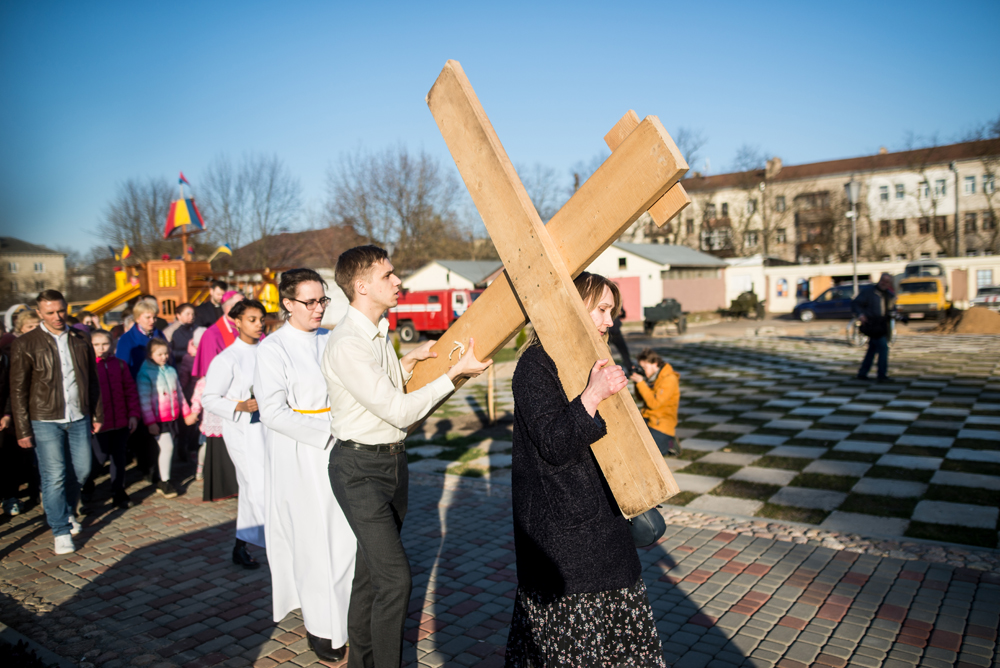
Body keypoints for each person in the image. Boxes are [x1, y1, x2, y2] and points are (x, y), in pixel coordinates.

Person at [323, 245, 491, 668]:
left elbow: (378, 390)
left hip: (391, 464)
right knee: (396, 580)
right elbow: (398, 410)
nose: (399, 281)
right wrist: (455, 375)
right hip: (358, 471)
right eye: (388, 275)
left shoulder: (377, 333)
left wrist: (404, 362)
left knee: (370, 577)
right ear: (361, 286)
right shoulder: (347, 343)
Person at [505, 272, 664, 666]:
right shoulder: (534, 366)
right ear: (572, 308)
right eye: (602, 309)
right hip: (564, 542)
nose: (610, 320)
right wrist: (592, 395)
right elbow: (554, 445)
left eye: (613, 310)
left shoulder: (594, 358)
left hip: (606, 533)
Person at [254, 268, 356, 663]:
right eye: (309, 302)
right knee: (315, 542)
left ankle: (347, 619)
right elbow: (273, 412)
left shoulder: (332, 338)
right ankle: (321, 627)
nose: (318, 309)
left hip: (344, 445)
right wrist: (329, 430)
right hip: (302, 453)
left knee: (346, 539)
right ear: (287, 304)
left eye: (323, 300)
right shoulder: (273, 348)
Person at [10, 290, 103, 555]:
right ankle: (60, 530)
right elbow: (18, 390)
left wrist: (97, 414)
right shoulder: (26, 343)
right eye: (50, 312)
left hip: (79, 416)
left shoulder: (80, 338)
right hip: (44, 419)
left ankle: (67, 511)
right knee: (54, 475)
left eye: (60, 310)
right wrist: (23, 429)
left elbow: (92, 381)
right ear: (39, 313)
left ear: (66, 308)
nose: (57, 316)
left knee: (83, 470)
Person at [203, 300, 267, 570]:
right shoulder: (227, 358)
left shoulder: (269, 350)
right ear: (237, 322)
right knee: (256, 486)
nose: (259, 324)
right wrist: (238, 405)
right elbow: (209, 398)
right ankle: (266, 544)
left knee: (265, 486)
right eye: (252, 319)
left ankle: (242, 545)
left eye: (261, 319)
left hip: (269, 428)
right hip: (241, 429)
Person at [137, 338, 195, 498]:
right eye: (159, 354)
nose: (163, 357)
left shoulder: (171, 371)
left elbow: (180, 394)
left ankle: (161, 476)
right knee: (167, 447)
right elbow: (144, 400)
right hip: (157, 419)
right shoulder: (145, 373)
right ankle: (164, 481)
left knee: (167, 448)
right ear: (150, 355)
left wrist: (186, 412)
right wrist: (150, 422)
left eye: (166, 354)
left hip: (171, 417)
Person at [89, 329, 140, 509]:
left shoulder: (120, 365)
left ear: (111, 344)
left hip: (120, 421)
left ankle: (118, 492)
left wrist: (133, 414)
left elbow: (130, 390)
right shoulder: (88, 367)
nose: (101, 348)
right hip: (99, 424)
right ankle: (86, 490)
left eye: (104, 344)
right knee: (97, 460)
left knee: (119, 460)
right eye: (96, 344)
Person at [1, 309, 42, 515]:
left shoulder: (7, 358)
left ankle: (20, 494)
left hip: (29, 412)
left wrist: (7, 414)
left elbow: (11, 388)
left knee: (21, 458)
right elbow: (14, 387)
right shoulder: (13, 352)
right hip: (16, 414)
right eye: (29, 327)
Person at [629, 348, 681, 456]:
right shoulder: (654, 376)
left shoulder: (669, 379)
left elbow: (654, 403)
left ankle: (669, 444)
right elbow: (640, 398)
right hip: (648, 419)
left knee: (649, 454)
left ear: (655, 364)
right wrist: (637, 382)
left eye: (644, 367)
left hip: (661, 424)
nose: (643, 370)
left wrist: (641, 383)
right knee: (630, 442)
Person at [852, 272, 896, 382]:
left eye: (887, 282)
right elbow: (855, 304)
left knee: (872, 349)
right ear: (879, 280)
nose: (884, 283)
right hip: (872, 324)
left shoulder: (888, 295)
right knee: (883, 348)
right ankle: (882, 375)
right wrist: (860, 315)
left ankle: (862, 373)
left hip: (882, 325)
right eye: (883, 280)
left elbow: (891, 309)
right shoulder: (869, 292)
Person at [192, 290, 245, 379]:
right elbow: (211, 372)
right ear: (229, 309)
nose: (247, 308)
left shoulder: (251, 328)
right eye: (242, 306)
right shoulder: (212, 334)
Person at [116, 298, 165, 378]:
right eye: (148, 317)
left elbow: (170, 360)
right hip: (138, 384)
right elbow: (122, 367)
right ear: (137, 318)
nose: (152, 321)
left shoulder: (160, 334)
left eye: (155, 317)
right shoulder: (126, 338)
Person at [607, 307, 634, 376]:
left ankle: (630, 370)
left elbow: (623, 315)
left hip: (617, 333)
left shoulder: (618, 304)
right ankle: (607, 371)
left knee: (624, 352)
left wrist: (621, 313)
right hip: (608, 334)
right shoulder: (608, 306)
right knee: (605, 353)